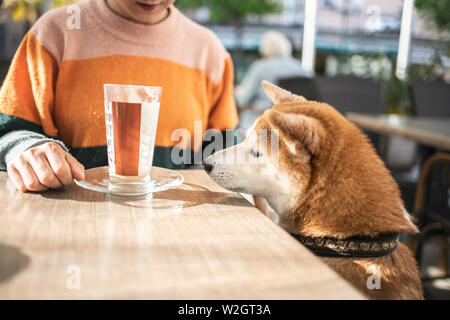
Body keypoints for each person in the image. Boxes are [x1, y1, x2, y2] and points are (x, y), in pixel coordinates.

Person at [0, 0, 238, 192]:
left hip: (174, 227)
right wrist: (27, 147)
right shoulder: (54, 33)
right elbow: (8, 128)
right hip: (70, 224)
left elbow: (225, 150)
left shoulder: (210, 51)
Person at [235, 30, 312, 131]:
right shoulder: (302, 70)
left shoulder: (260, 67)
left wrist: (236, 91)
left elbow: (242, 100)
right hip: (293, 128)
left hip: (260, 126)